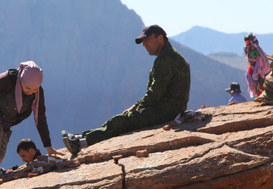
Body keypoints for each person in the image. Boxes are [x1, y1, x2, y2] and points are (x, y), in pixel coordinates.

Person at [62, 24, 191, 155]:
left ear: (160, 38)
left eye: (147, 39)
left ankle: (80, 144)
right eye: (143, 41)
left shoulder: (167, 58)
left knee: (122, 121)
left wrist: (137, 106)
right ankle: (80, 137)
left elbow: (156, 93)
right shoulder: (168, 56)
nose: (144, 44)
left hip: (167, 111)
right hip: (167, 108)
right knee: (122, 119)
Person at [0, 61, 61, 185]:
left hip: (6, 119)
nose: (31, 91)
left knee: (0, 153)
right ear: (21, 80)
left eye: (34, 89)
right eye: (28, 88)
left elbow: (40, 118)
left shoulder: (38, 93)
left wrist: (48, 146)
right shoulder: (9, 79)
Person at [244, 32, 271, 98]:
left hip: (261, 70)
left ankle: (262, 97)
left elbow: (262, 60)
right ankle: (261, 97)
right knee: (258, 84)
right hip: (256, 69)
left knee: (262, 84)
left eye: (248, 43)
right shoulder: (254, 51)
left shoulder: (258, 52)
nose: (247, 45)